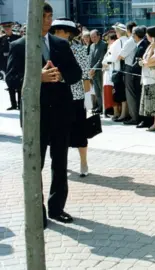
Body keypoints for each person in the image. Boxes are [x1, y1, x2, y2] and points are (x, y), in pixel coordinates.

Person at [6, 2, 82, 229]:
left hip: (60, 114)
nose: (48, 21)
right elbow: (11, 79)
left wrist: (60, 76)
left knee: (60, 163)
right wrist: (36, 77)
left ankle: (57, 208)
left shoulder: (61, 43)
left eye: (50, 16)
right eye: (44, 16)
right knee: (34, 166)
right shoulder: (20, 46)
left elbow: (76, 72)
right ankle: (36, 212)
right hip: (34, 117)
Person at [50, 18, 91, 177]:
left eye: (63, 31)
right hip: (55, 96)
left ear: (69, 33)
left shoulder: (80, 50)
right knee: (58, 133)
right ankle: (60, 162)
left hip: (76, 96)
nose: (59, 34)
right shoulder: (49, 49)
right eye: (57, 31)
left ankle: (83, 162)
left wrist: (88, 99)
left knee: (80, 131)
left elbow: (86, 75)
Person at [138, 26, 155, 131]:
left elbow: (152, 61)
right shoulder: (151, 45)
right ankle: (154, 122)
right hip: (148, 76)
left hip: (154, 77)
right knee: (150, 100)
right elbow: (145, 60)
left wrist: (146, 63)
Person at [0, 21, 21, 110]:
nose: (7, 29)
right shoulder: (1, 39)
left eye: (8, 27)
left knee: (19, 84)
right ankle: (13, 104)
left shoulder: (17, 38)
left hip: (17, 64)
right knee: (10, 84)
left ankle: (20, 103)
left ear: (11, 28)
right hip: (6, 65)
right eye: (5, 28)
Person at [89, 29, 107, 115]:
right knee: (96, 91)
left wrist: (94, 68)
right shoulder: (92, 46)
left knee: (101, 90)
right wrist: (90, 69)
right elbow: (90, 58)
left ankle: (104, 108)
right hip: (92, 72)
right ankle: (99, 107)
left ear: (99, 36)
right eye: (91, 37)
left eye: (94, 37)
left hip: (99, 71)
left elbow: (101, 59)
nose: (93, 38)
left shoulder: (103, 45)